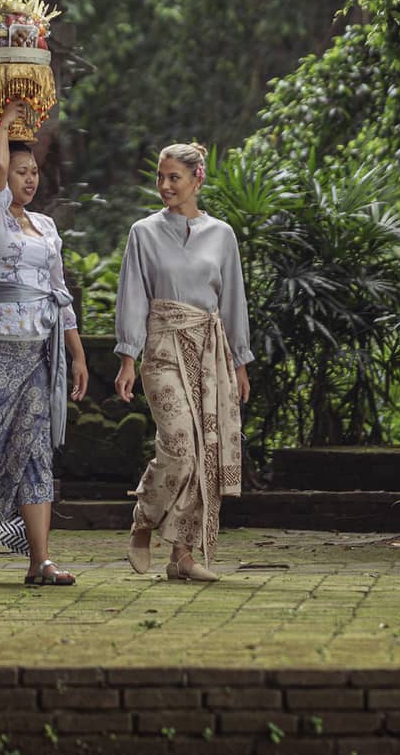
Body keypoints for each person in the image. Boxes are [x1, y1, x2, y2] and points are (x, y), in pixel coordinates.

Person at [0, 99, 88, 585]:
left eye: (34, 172)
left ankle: (39, 561)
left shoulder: (45, 227)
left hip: (39, 350)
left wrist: (76, 351)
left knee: (34, 450)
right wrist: (4, 123)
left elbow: (59, 292)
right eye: (21, 171)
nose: (28, 179)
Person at [114, 142, 252, 583]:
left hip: (211, 352)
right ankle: (143, 519)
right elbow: (133, 295)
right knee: (179, 445)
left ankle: (182, 556)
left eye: (174, 177)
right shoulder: (144, 232)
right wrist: (127, 358)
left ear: (198, 179)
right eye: (160, 177)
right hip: (162, 348)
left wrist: (240, 363)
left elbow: (233, 302)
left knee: (204, 452)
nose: (165, 186)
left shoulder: (222, 235)